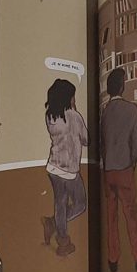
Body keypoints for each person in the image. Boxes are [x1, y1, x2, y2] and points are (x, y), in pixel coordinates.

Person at [100, 68, 137, 272]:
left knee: (111, 215)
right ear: (122, 86)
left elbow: (103, 143)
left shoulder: (105, 112)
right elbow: (135, 142)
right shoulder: (131, 109)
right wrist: (132, 164)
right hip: (124, 168)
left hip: (108, 169)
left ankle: (113, 258)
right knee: (130, 213)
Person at [41, 79, 89, 257]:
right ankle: (54, 225)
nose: (74, 99)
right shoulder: (74, 116)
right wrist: (75, 110)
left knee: (60, 204)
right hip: (69, 170)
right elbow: (86, 139)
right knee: (80, 204)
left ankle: (62, 241)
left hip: (53, 167)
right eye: (72, 96)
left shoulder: (50, 115)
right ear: (68, 97)